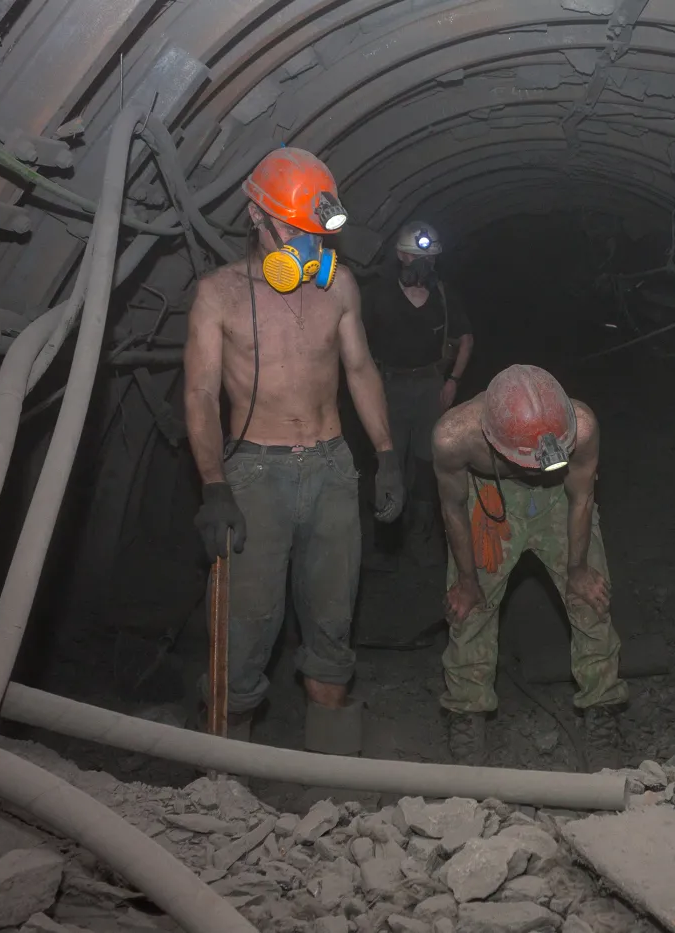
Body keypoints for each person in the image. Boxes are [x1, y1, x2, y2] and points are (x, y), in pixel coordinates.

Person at [183, 147, 404, 751]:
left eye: (317, 231)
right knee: (242, 637)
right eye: (295, 229)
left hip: (333, 470)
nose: (309, 245)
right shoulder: (219, 295)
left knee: (333, 629)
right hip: (256, 475)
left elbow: (359, 370)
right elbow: (200, 394)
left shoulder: (340, 286)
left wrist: (385, 454)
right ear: (256, 215)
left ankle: (331, 787)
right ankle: (220, 785)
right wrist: (214, 484)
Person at [432, 365, 627, 767]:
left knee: (590, 595)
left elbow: (581, 498)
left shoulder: (581, 427)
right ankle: (467, 710)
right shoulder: (455, 437)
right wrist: (467, 581)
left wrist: (577, 570)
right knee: (470, 606)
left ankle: (601, 706)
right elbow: (452, 508)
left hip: (558, 498)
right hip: (490, 498)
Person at [362, 221, 474, 570]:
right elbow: (355, 347)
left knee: (429, 461)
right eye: (415, 256)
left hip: (430, 386)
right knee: (388, 461)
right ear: (400, 255)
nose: (423, 264)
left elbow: (466, 339)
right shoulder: (378, 296)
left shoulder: (443, 295)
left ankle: (423, 536)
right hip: (389, 388)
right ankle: (386, 542)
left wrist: (452, 380)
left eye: (430, 258)